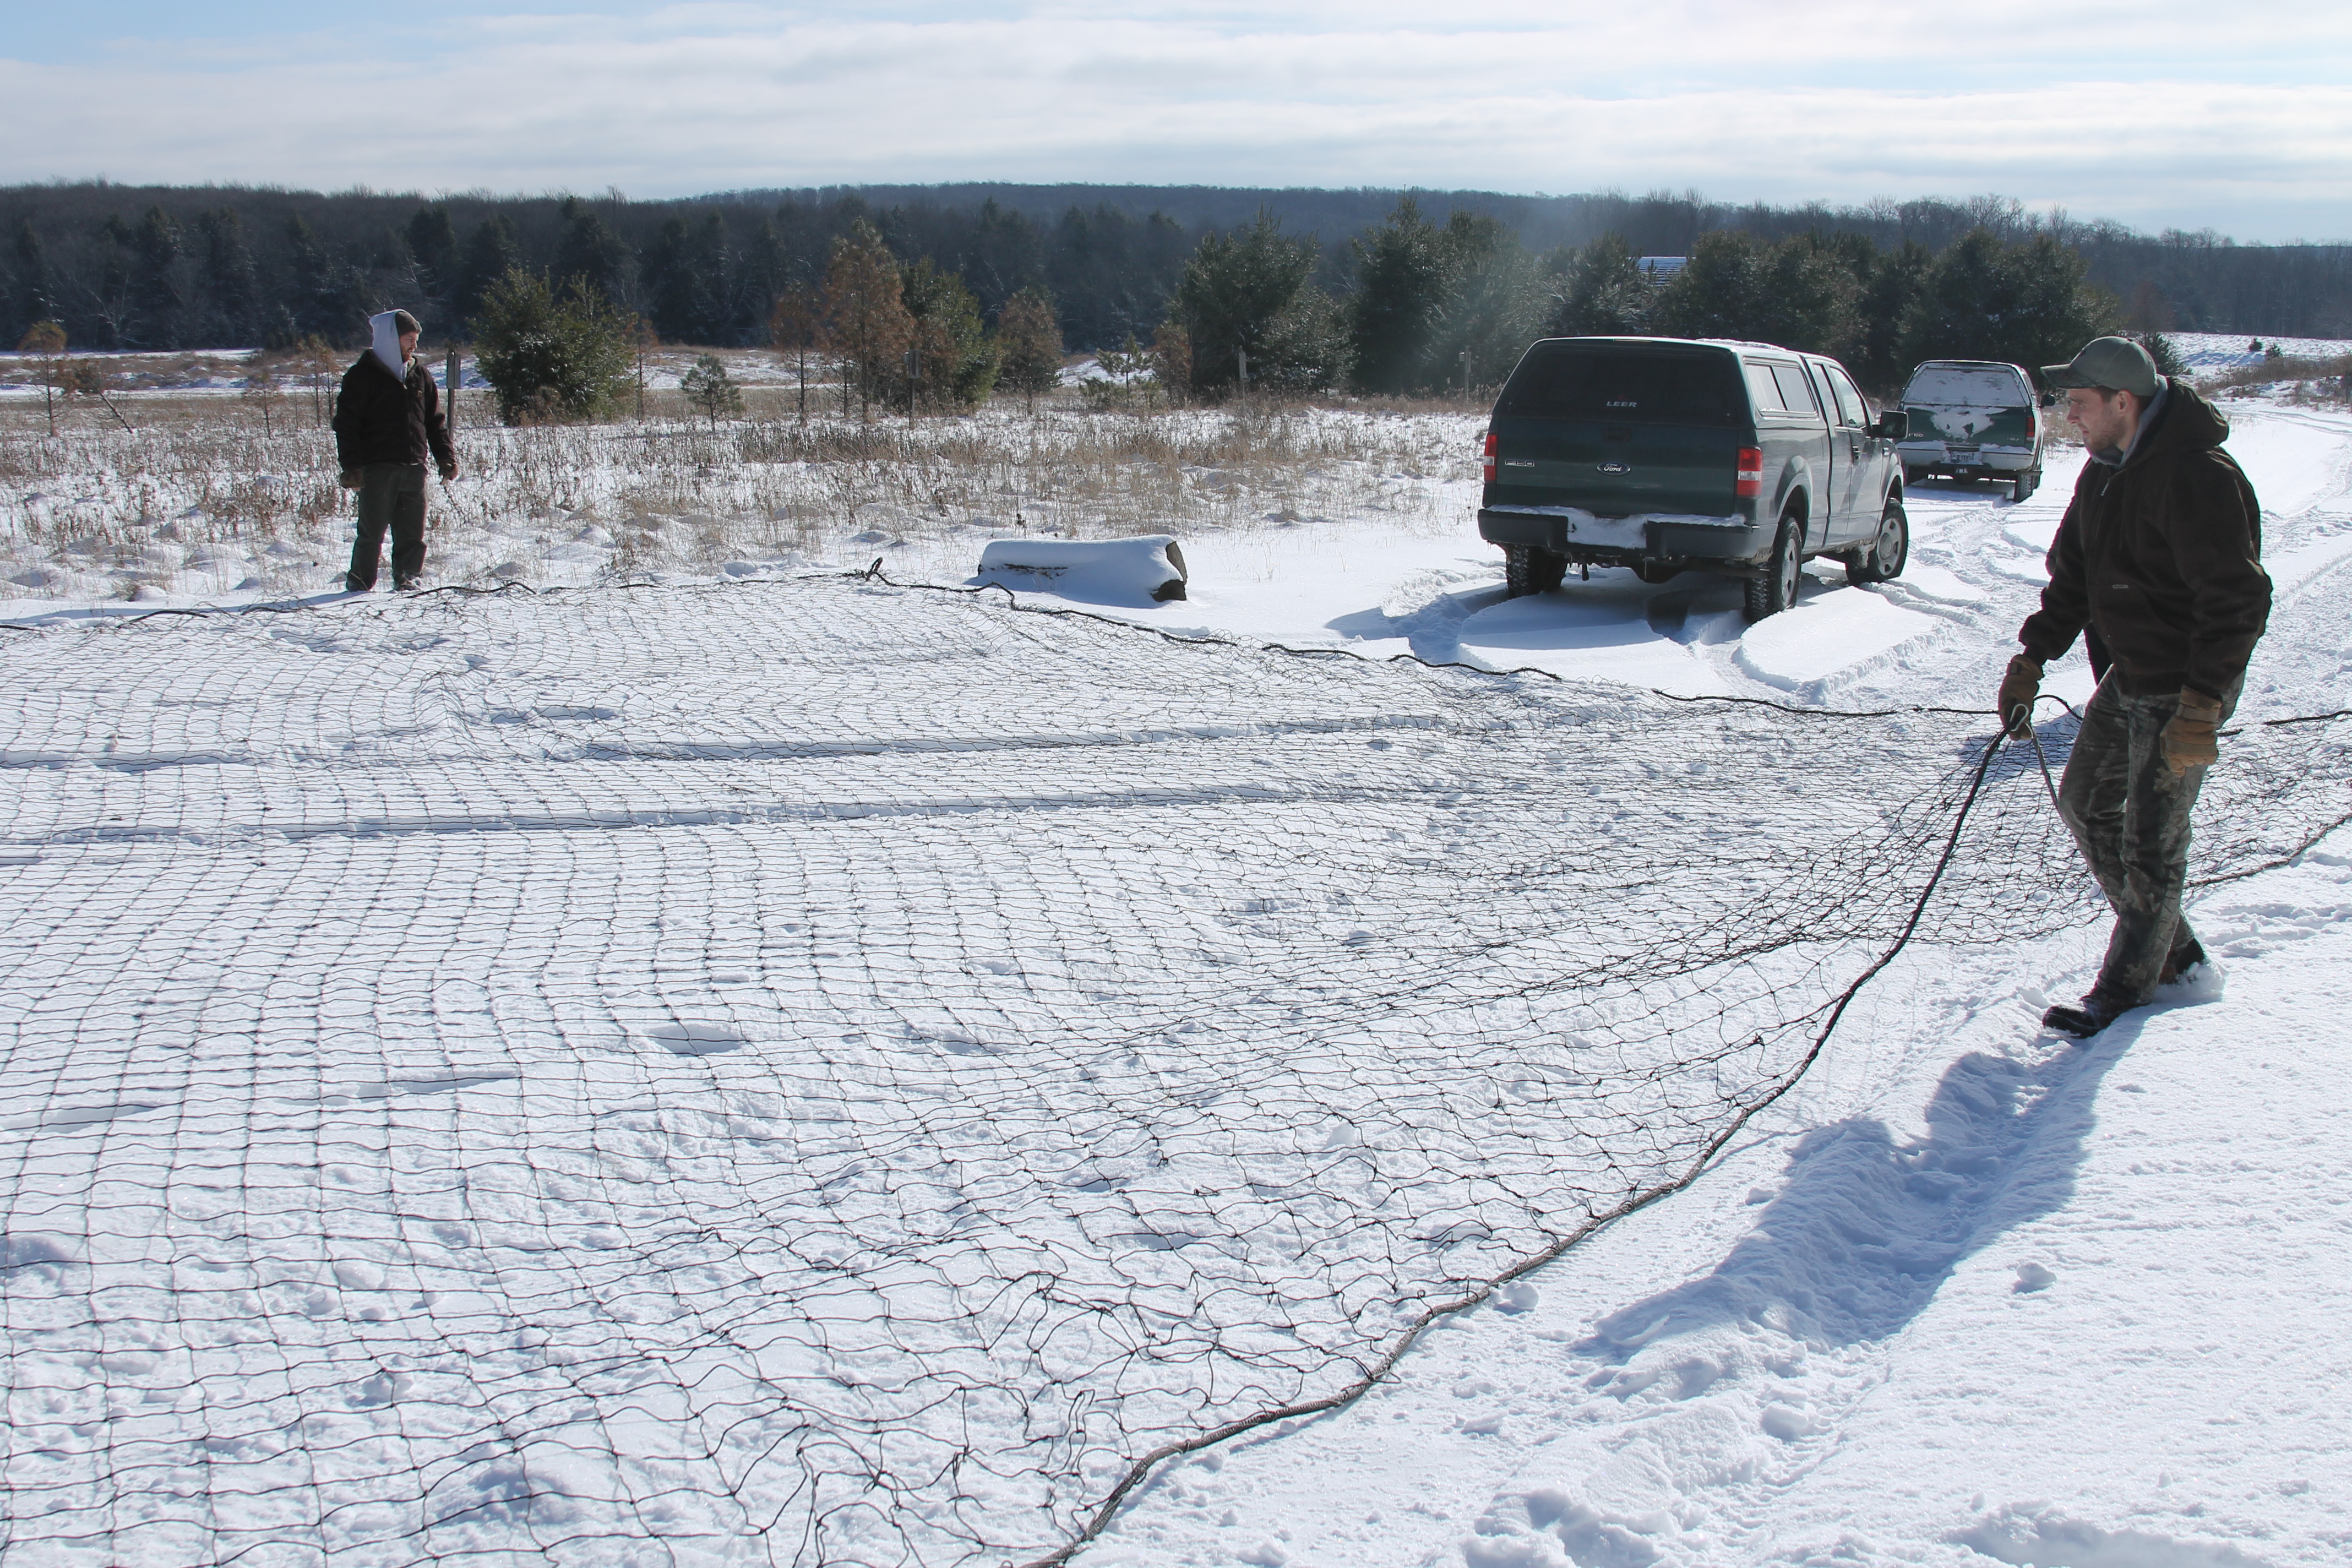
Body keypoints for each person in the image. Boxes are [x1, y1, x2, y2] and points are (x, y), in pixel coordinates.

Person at [1998, 336, 2270, 1037]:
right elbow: (2075, 581)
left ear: (2125, 402)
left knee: (2155, 841)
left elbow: (2238, 599)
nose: (2071, 419)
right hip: (2131, 674)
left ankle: (2123, 991)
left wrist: (2204, 703)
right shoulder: (2104, 474)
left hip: (2185, 685)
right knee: (2086, 804)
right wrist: (2033, 658)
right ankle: (2175, 952)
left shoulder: (2196, 475)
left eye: (2082, 405)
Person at [332, 308, 458, 591]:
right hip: (377, 469)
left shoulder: (420, 375)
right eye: (408, 338)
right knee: (371, 533)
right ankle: (360, 585)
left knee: (413, 533)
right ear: (390, 339)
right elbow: (347, 425)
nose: (414, 345)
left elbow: (434, 422)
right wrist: (351, 467)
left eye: (416, 339)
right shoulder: (361, 376)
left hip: (414, 467)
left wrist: (446, 458)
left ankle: (408, 579)